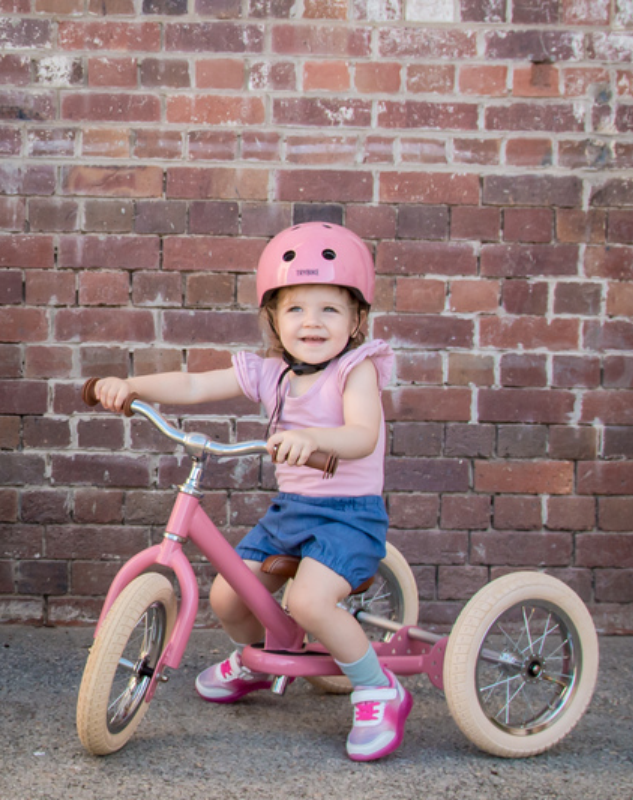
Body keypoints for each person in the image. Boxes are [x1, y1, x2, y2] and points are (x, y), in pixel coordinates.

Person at [93, 222, 411, 762]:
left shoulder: (355, 371)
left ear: (357, 319)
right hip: (292, 512)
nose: (311, 322)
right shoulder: (271, 373)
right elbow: (195, 384)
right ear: (273, 318)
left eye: (330, 309)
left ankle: (378, 688)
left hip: (348, 516)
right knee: (227, 596)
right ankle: (261, 657)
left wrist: (314, 438)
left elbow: (362, 435)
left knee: (308, 602)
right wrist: (132, 386)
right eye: (295, 309)